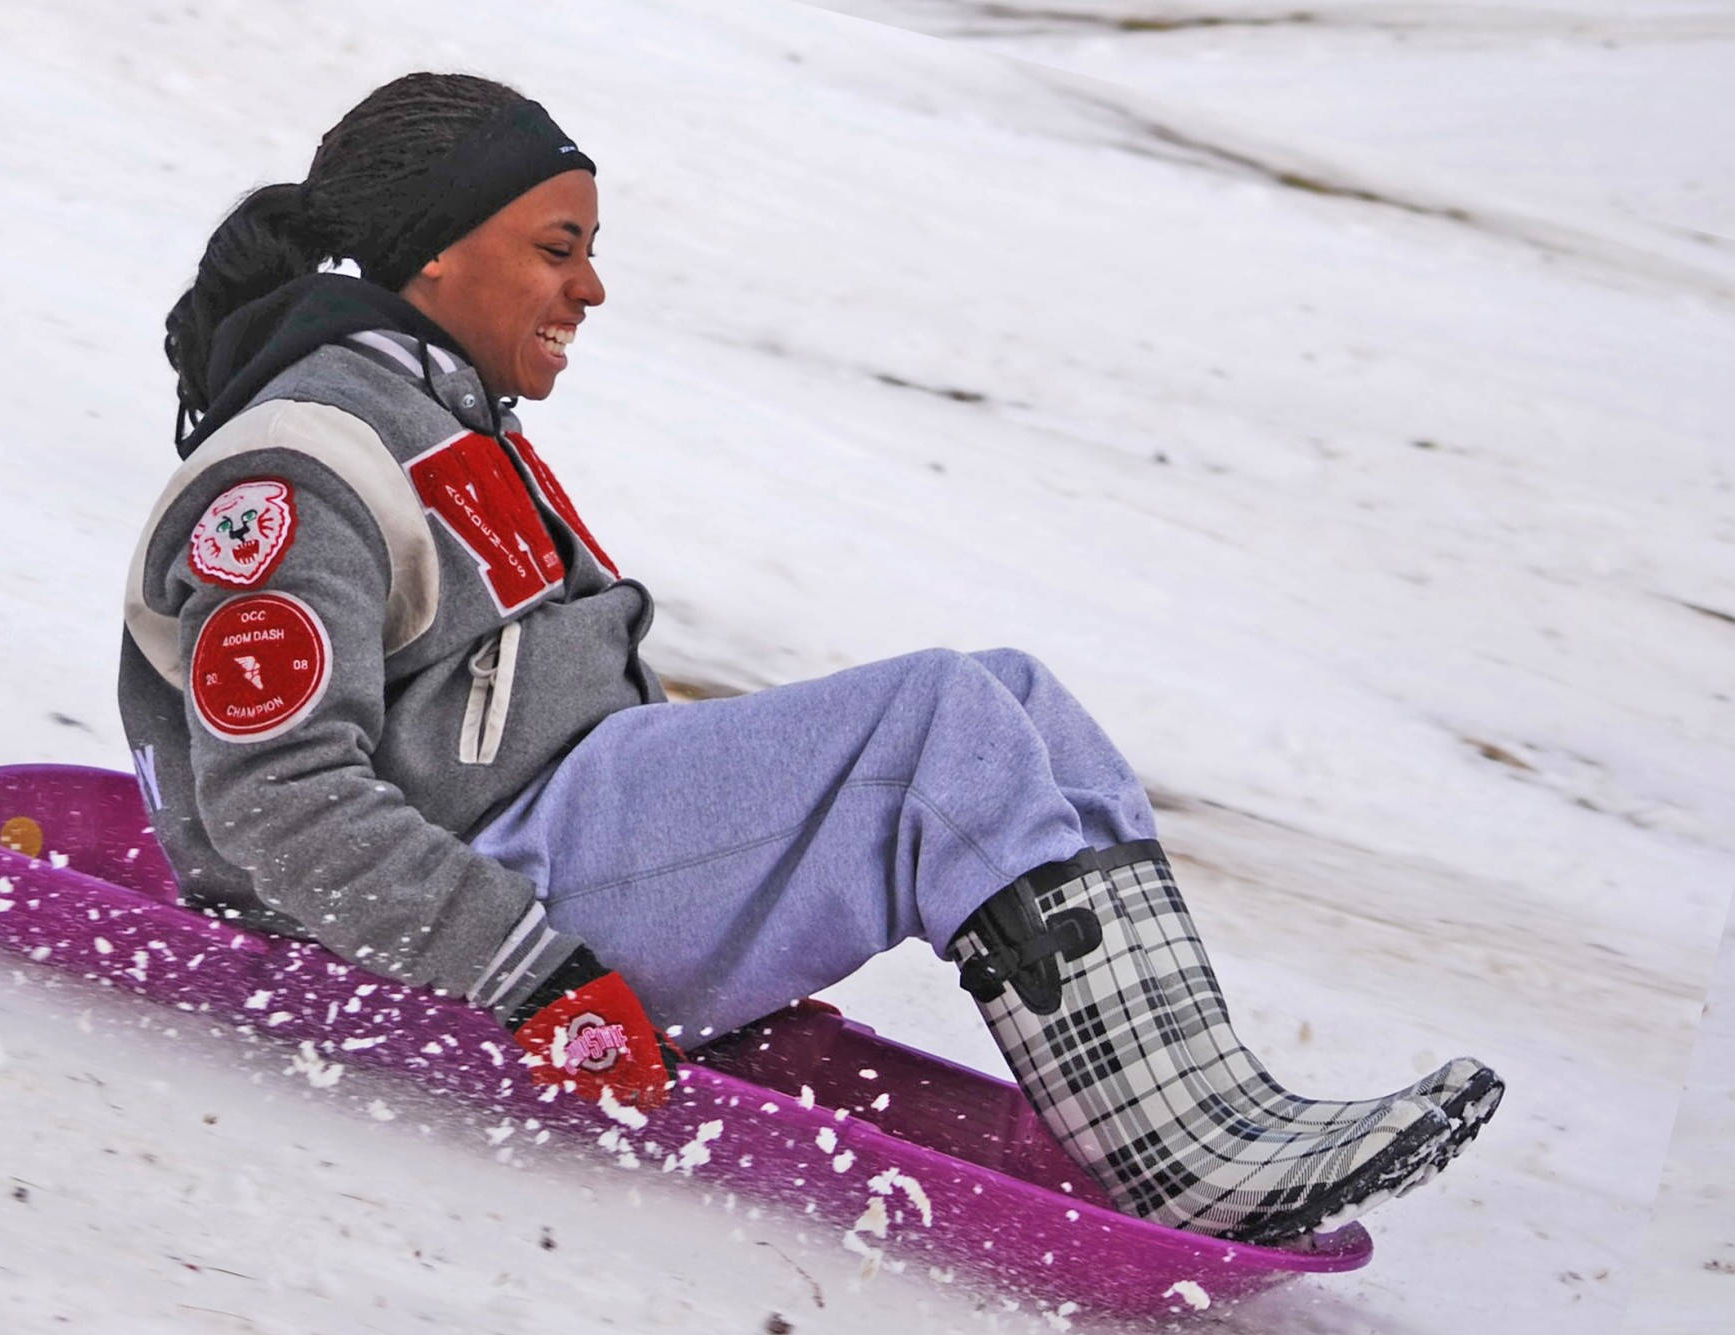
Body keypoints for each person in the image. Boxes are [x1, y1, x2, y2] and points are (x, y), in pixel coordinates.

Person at [121, 73, 1502, 1247]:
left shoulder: (443, 422)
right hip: (472, 910)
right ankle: (1185, 1162)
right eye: (559, 245)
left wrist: (747, 876)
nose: (592, 285)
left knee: (1011, 691)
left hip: (550, 838)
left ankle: (1204, 1109)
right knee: (933, 724)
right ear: (438, 253)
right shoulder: (301, 468)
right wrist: (539, 979)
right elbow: (278, 803)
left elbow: (534, 700)